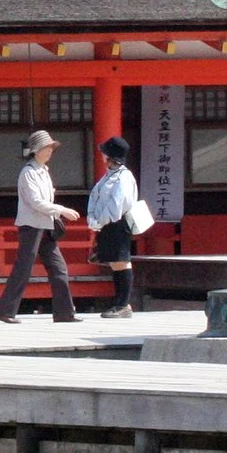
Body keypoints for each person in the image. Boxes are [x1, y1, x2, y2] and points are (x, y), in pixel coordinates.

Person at [0, 129, 81, 324]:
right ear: (36, 150)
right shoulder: (28, 173)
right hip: (31, 225)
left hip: (46, 225)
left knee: (59, 268)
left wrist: (57, 211)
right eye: (46, 147)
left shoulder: (43, 172)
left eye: (50, 147)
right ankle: (4, 311)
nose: (49, 151)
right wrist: (62, 210)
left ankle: (64, 312)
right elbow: (36, 202)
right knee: (24, 268)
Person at [86, 136, 142, 319]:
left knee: (121, 261)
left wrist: (99, 221)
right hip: (107, 225)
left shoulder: (124, 177)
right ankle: (119, 302)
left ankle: (123, 303)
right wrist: (93, 218)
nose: (102, 156)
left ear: (111, 157)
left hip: (117, 223)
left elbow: (116, 206)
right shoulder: (110, 175)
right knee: (115, 263)